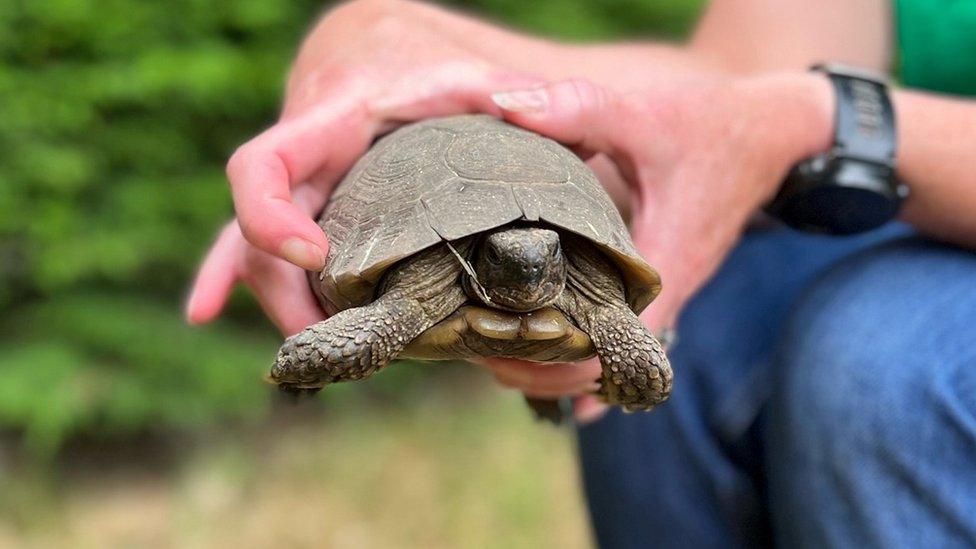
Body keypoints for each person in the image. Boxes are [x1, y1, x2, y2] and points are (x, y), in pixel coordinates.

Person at [186, 0, 976, 546]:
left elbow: (777, 108)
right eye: (510, 261)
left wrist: (821, 120)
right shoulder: (440, 272)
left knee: (876, 357)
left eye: (547, 261)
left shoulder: (567, 279)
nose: (533, 273)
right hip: (895, 207)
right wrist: (402, 35)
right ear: (478, 260)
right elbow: (741, 74)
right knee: (694, 344)